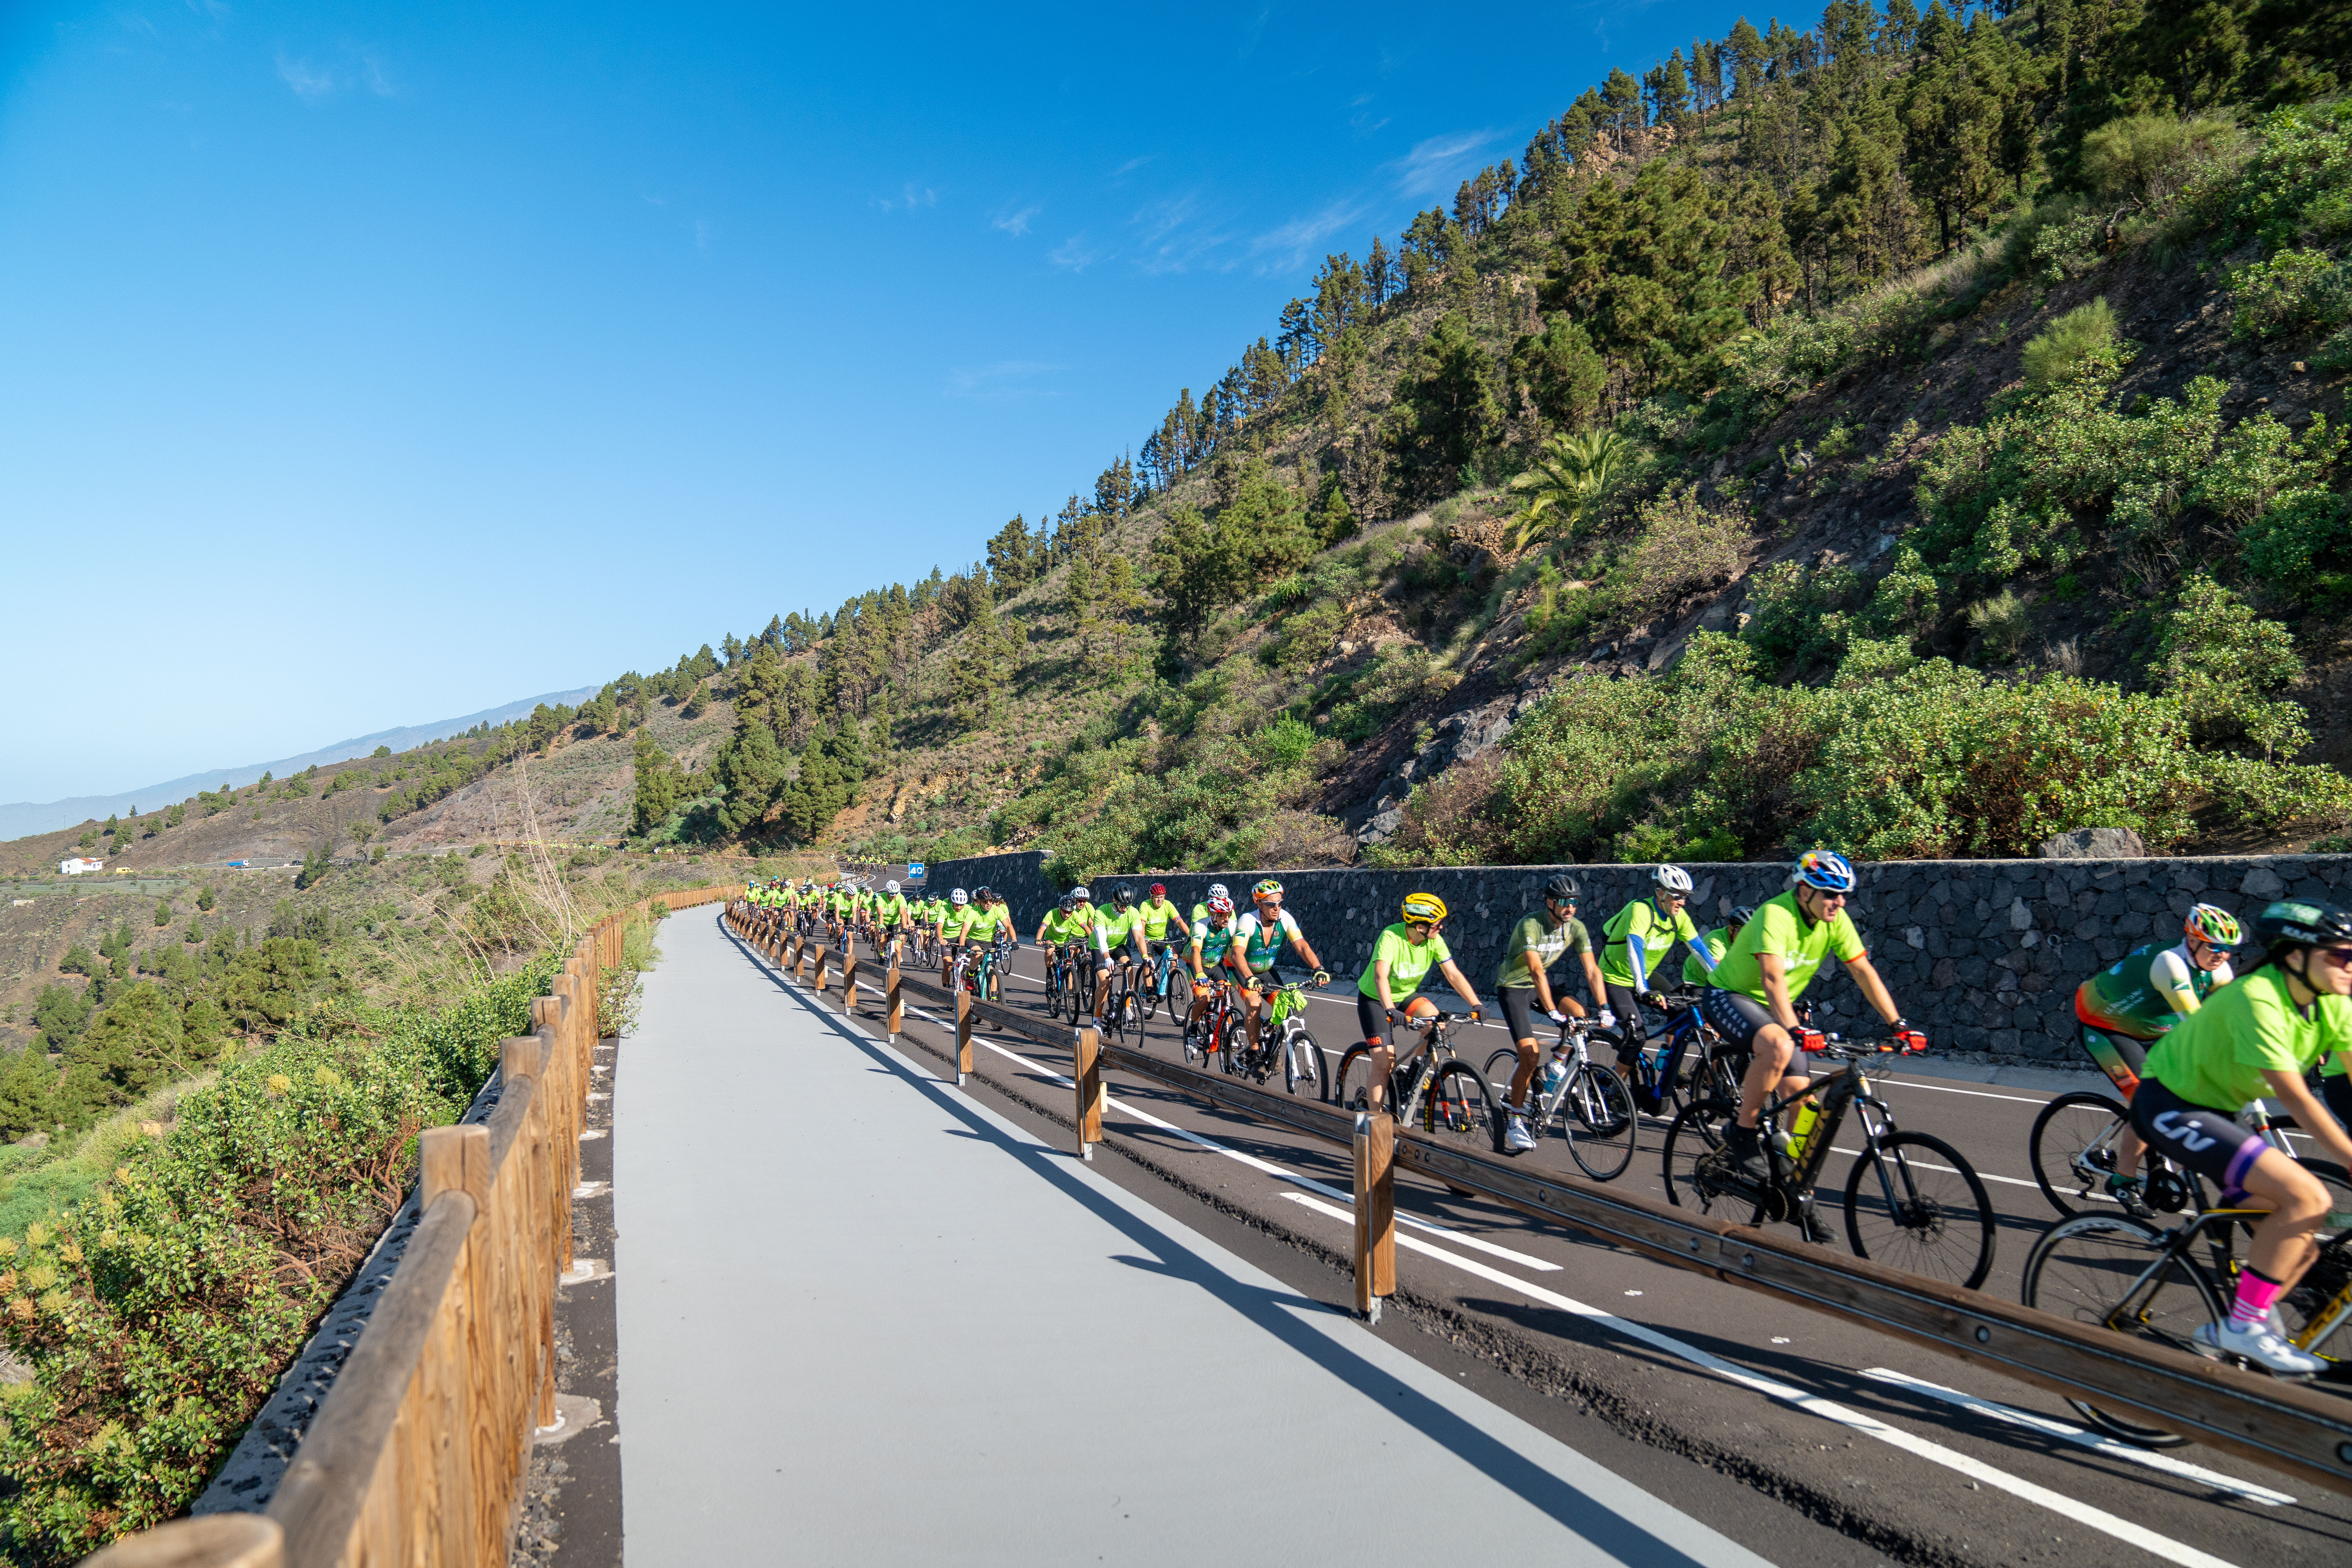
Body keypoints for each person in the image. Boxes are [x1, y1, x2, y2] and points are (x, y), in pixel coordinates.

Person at [2131, 899, 2352, 1373]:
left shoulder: (2335, 1004)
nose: (2350, 967)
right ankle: (2245, 1326)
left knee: (2300, 1241)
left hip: (2220, 1110)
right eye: (2340, 956)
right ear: (2294, 956)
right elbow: (2294, 1095)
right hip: (2171, 1104)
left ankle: (2228, 1329)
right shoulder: (2259, 997)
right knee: (2308, 1197)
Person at [1700, 851, 1918, 1240]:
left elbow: (1862, 970)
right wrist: (1795, 1029)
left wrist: (1898, 1024)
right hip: (1730, 995)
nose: (1840, 902)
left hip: (1776, 1009)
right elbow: (1771, 979)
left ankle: (1800, 1198)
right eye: (1831, 894)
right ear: (1804, 890)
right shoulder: (1776, 914)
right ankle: (1742, 1130)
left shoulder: (1834, 920)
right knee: (1780, 1046)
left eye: (1843, 895)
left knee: (1806, 1110)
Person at [2073, 903, 2243, 1214]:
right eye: (2215, 946)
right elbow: (2198, 1025)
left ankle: (2160, 1164)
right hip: (2105, 1028)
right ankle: (2123, 1180)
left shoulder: (2220, 971)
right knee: (2147, 1099)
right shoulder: (2170, 964)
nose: (2221, 954)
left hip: (2156, 1028)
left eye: (2229, 949)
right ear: (2192, 941)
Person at [1493, 874, 1606, 1152]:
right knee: (1530, 1057)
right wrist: (1553, 1012)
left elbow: (1592, 971)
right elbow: (1536, 971)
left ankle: (1557, 1062)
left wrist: (1604, 1008)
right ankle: (1516, 1121)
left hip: (1539, 986)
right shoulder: (1530, 925)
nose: (1570, 908)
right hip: (1515, 988)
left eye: (1574, 903)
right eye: (1564, 903)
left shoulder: (1575, 928)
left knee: (1580, 1015)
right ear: (1550, 903)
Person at [1355, 893, 1484, 1112]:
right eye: (1438, 924)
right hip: (1375, 999)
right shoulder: (1392, 937)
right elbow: (1380, 977)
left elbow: (1453, 974)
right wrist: (1390, 1009)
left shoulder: (1434, 942)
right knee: (1384, 1063)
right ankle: (1372, 1121)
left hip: (1405, 995)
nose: (1442, 928)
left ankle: (1413, 1072)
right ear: (1421, 926)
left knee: (1437, 1024)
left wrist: (1476, 1004)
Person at [1602, 866, 1710, 1073]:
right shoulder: (1641, 910)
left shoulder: (1680, 917)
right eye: (1678, 896)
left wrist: (1724, 983)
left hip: (1645, 976)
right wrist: (1643, 989)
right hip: (1614, 978)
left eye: (1685, 897)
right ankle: (1617, 1090)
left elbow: (1700, 951)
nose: (1683, 902)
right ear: (1661, 893)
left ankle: (1668, 1062)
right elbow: (1635, 949)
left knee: (1681, 1011)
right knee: (1637, 1035)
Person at [1231, 880, 1329, 1063]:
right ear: (1258, 903)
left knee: (1287, 1005)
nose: (1276, 908)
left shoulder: (1285, 918)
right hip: (1241, 970)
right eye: (1270, 904)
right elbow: (1237, 954)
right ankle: (1254, 1054)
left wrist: (1319, 969)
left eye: (1279, 903)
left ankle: (1270, 1037)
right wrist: (1250, 978)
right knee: (1254, 1003)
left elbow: (1302, 946)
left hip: (1266, 971)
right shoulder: (1248, 920)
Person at [1186, 893, 1239, 1046]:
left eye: (1228, 914)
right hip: (1196, 966)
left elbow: (1239, 949)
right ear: (1213, 914)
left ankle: (1229, 1032)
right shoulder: (1201, 926)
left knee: (1227, 997)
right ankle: (1193, 1029)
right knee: (1204, 999)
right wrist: (1200, 974)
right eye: (1222, 915)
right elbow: (1196, 952)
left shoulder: (1232, 926)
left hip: (1216, 966)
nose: (1226, 919)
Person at [1092, 886, 1143, 1017]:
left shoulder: (1133, 912)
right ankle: (1097, 1016)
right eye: (1122, 906)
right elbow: (1102, 939)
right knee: (1106, 982)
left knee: (1129, 969)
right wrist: (1108, 958)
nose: (1125, 909)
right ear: (1114, 901)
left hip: (1118, 945)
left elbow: (1139, 937)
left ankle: (1126, 1008)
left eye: (1128, 905)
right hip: (1100, 947)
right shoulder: (1102, 912)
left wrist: (1146, 957)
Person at [1683, 905, 1756, 990]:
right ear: (1731, 929)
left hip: (1725, 978)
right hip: (1698, 982)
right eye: (1743, 932)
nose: (1747, 937)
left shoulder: (1749, 941)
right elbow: (1718, 974)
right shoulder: (1715, 940)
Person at [1136, 883, 1183, 1001]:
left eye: (1162, 896)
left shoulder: (1168, 905)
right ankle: (1149, 990)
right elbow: (1142, 925)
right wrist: (1143, 937)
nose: (1160, 899)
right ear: (1151, 897)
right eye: (1157, 897)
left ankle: (1168, 982)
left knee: (1174, 958)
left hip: (1162, 940)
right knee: (1149, 962)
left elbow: (1180, 922)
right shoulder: (1145, 906)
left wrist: (1192, 936)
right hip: (1148, 940)